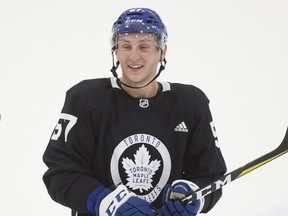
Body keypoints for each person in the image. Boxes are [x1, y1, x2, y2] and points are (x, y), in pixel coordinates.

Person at [42, 7, 227, 216]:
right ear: (116, 51)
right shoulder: (86, 100)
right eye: (126, 46)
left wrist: (193, 193)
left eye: (144, 46)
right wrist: (106, 202)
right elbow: (60, 174)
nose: (133, 56)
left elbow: (212, 176)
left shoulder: (190, 103)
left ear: (162, 51)